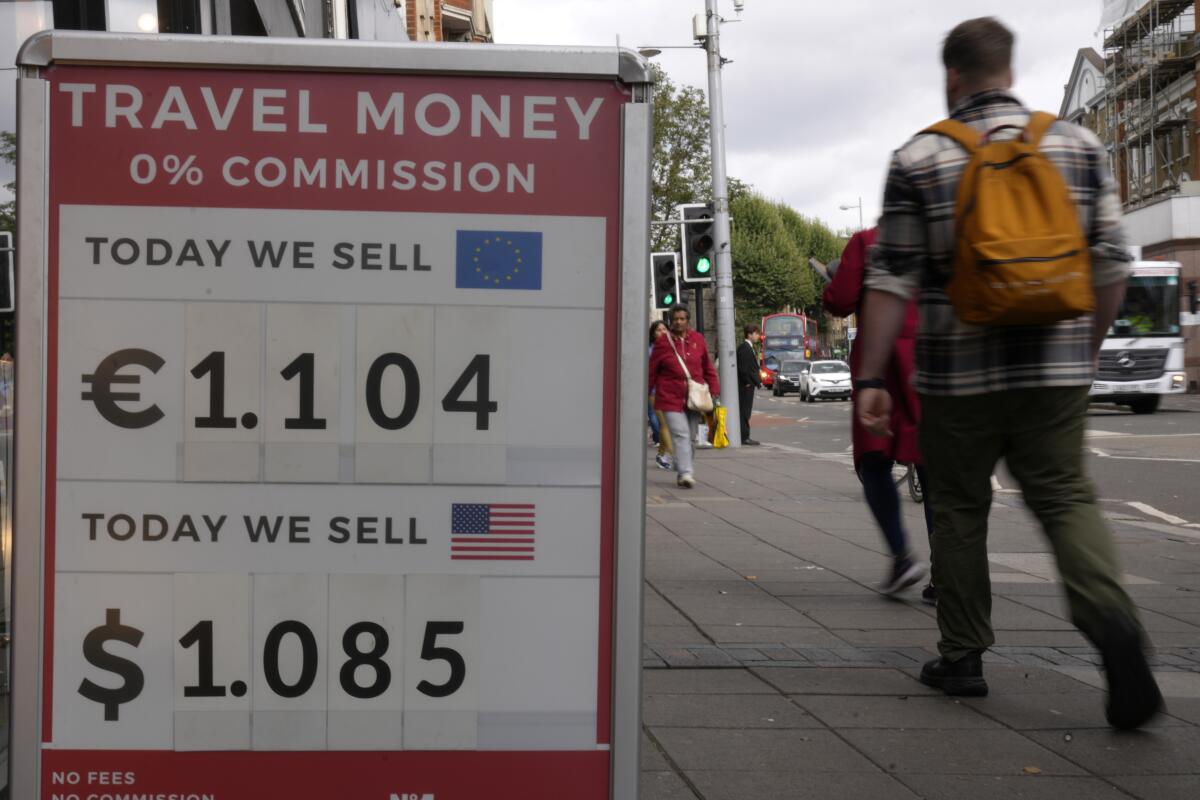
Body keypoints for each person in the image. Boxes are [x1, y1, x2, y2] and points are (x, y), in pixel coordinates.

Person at [854, 17, 1162, 729]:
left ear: (952, 77)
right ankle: (1113, 626)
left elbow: (890, 281)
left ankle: (962, 658)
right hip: (1053, 367)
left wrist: (870, 378)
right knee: (1065, 498)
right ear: (1010, 73)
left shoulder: (921, 157)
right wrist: (1087, 345)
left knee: (959, 509)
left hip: (956, 375)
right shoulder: (1075, 145)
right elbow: (1114, 263)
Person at [824, 227, 935, 599]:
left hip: (880, 360)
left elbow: (840, 299)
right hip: (932, 356)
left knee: (874, 462)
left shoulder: (868, 240)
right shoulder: (947, 232)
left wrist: (835, 279)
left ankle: (902, 555)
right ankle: (947, 573)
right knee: (934, 464)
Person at [648, 304, 720, 489]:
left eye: (682, 319)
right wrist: (646, 394)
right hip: (669, 397)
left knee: (691, 437)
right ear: (671, 321)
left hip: (694, 398)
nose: (679, 322)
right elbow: (652, 371)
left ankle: (681, 464)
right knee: (681, 434)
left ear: (688, 321)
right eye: (676, 319)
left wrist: (715, 389)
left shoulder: (698, 340)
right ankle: (686, 473)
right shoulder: (663, 343)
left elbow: (708, 367)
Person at [648, 320, 674, 470]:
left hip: (670, 391)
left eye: (665, 329)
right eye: (659, 330)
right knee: (664, 424)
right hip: (655, 392)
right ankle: (675, 456)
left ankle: (661, 455)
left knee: (669, 425)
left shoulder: (671, 348)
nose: (662, 332)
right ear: (653, 333)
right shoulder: (650, 350)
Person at [736, 324, 763, 446]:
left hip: (748, 385)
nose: (758, 336)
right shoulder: (745, 348)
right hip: (745, 386)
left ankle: (744, 436)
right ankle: (744, 437)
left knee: (746, 411)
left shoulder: (748, 347)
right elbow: (743, 369)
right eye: (756, 333)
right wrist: (747, 382)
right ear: (749, 334)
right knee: (744, 412)